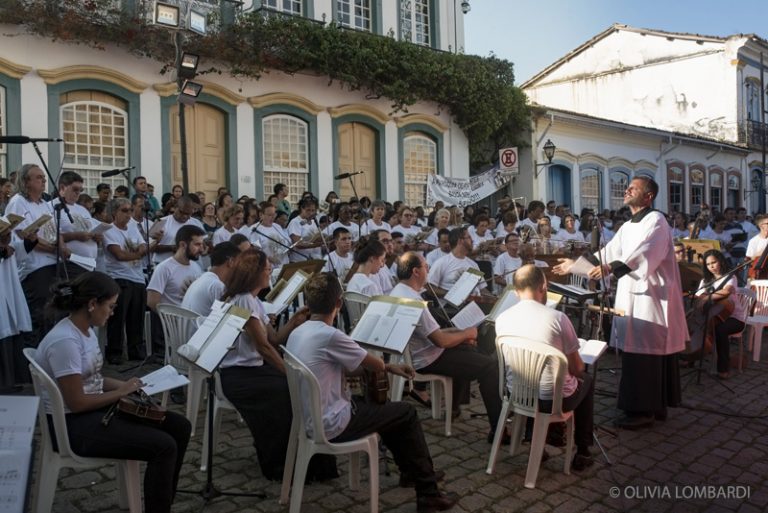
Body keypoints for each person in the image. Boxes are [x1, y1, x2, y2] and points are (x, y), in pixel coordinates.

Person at [286, 272, 458, 512]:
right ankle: (428, 492)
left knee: (386, 411)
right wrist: (389, 366)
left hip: (311, 417)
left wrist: (383, 367)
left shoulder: (298, 332)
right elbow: (375, 365)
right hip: (333, 423)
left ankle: (411, 472)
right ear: (338, 303)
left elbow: (345, 368)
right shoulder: (330, 335)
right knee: (405, 412)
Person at [35, 272, 190, 513]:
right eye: (110, 306)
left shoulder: (86, 329)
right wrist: (122, 393)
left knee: (180, 426)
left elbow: (92, 379)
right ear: (92, 304)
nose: (113, 312)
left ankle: (163, 499)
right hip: (70, 425)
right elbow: (77, 403)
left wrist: (125, 385)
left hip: (91, 412)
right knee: (164, 446)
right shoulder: (65, 341)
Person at [555, 176, 687, 429]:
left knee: (646, 353)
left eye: (633, 188)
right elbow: (608, 253)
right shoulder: (628, 226)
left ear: (648, 196)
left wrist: (609, 267)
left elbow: (646, 253)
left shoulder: (657, 221)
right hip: (633, 294)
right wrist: (575, 265)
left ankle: (642, 411)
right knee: (638, 351)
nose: (626, 190)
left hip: (652, 300)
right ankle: (654, 407)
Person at [218, 249, 331, 481]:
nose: (271, 272)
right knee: (289, 391)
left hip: (253, 369)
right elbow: (264, 348)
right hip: (239, 375)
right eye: (267, 269)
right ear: (254, 273)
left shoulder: (254, 300)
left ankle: (305, 457)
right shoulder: (242, 300)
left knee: (299, 389)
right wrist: (290, 373)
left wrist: (294, 321)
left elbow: (275, 340)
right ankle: (281, 463)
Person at [392, 252, 502, 438]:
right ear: (416, 271)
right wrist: (467, 333)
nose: (428, 269)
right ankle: (499, 429)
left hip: (421, 351)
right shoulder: (415, 300)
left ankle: (455, 406)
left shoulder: (398, 291)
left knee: (469, 348)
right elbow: (440, 341)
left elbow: (432, 333)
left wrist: (461, 334)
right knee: (489, 367)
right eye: (426, 266)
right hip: (427, 359)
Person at [495, 265, 595, 470]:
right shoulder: (558, 319)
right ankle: (583, 451)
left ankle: (537, 443)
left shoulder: (502, 318)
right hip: (553, 401)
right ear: (544, 287)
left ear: (516, 291)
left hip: (517, 393)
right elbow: (577, 368)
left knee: (538, 379)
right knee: (587, 380)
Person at [6, 164, 63, 344]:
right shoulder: (18, 202)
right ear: (25, 181)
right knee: (39, 314)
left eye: (44, 177)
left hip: (53, 263)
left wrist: (60, 246)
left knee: (52, 313)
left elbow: (54, 230)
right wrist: (54, 248)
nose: (43, 180)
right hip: (34, 267)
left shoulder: (45, 204)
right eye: (38, 177)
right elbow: (24, 235)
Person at [103, 198, 151, 364]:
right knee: (118, 318)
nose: (128, 214)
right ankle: (114, 352)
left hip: (137, 277)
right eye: (124, 210)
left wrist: (142, 249)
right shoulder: (109, 231)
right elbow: (119, 255)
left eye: (130, 210)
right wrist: (138, 254)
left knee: (136, 317)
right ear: (114, 212)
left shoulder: (132, 228)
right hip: (119, 277)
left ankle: (135, 350)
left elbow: (144, 245)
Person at [694, 249, 746, 379]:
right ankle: (691, 358)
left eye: (714, 262)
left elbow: (726, 291)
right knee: (694, 325)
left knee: (720, 330)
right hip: (713, 316)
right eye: (708, 264)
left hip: (735, 318)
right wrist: (703, 297)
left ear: (720, 261)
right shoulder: (705, 280)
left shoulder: (730, 277)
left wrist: (707, 297)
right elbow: (697, 296)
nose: (711, 266)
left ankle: (723, 369)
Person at [54, 171, 104, 279]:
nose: (78, 193)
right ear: (62, 188)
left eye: (80, 190)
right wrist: (75, 236)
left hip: (90, 263)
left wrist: (96, 236)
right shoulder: (53, 207)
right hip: (70, 263)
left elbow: (90, 229)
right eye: (75, 189)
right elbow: (52, 236)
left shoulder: (82, 210)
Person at [182, 241, 240, 317]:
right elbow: (235, 318)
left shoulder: (203, 279)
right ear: (231, 261)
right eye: (240, 263)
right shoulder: (216, 285)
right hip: (198, 328)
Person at [150, 195, 205, 263]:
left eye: (188, 214)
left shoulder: (196, 223)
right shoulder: (160, 221)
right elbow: (150, 248)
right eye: (181, 212)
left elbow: (204, 243)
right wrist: (171, 248)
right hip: (163, 264)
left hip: (189, 265)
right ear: (175, 207)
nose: (184, 216)